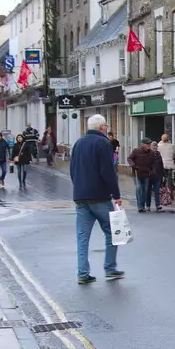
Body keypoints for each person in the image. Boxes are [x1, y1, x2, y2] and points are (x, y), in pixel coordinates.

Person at [70, 114, 124, 284]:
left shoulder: (78, 143)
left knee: (82, 237)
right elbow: (108, 172)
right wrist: (116, 195)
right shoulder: (103, 143)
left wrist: (79, 188)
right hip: (99, 197)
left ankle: (82, 274)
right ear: (101, 127)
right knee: (112, 233)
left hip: (80, 197)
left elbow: (72, 170)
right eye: (105, 126)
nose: (106, 128)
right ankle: (110, 269)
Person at [127, 138, 158, 213]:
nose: (149, 146)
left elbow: (153, 163)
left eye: (149, 144)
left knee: (145, 190)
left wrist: (152, 171)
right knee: (139, 189)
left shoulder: (151, 153)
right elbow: (129, 158)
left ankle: (143, 205)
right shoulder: (136, 151)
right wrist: (133, 165)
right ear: (143, 144)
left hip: (146, 174)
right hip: (137, 173)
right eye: (147, 144)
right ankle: (140, 206)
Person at [14, 126, 39, 191]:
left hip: (25, 159)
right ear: (17, 139)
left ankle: (23, 180)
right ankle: (20, 182)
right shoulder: (15, 145)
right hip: (18, 160)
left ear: (22, 138)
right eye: (18, 138)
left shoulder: (26, 144)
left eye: (20, 138)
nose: (19, 139)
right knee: (19, 171)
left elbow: (28, 152)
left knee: (25, 170)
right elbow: (13, 153)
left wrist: (30, 159)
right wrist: (11, 158)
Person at [156, 133, 175, 198]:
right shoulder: (172, 146)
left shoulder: (158, 146)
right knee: (169, 178)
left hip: (161, 164)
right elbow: (173, 155)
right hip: (170, 164)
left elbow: (157, 155)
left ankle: (161, 190)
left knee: (161, 177)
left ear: (161, 139)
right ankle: (169, 191)